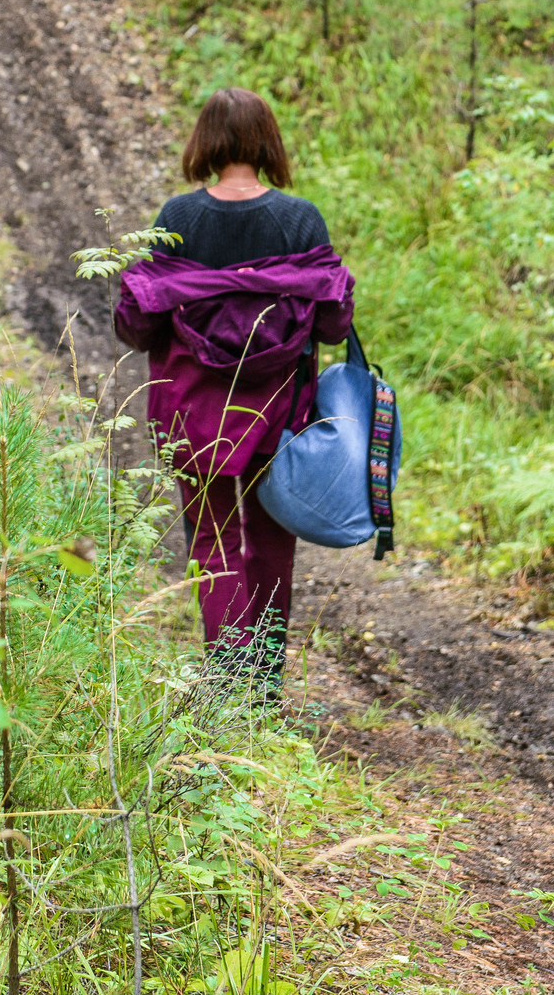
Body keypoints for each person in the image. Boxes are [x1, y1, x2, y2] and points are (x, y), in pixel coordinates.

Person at [114, 90, 352, 696]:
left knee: (211, 538)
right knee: (272, 542)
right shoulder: (301, 221)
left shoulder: (179, 219)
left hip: (195, 414)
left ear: (205, 142)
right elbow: (332, 322)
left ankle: (229, 682)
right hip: (279, 412)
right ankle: (264, 682)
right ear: (268, 141)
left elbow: (139, 323)